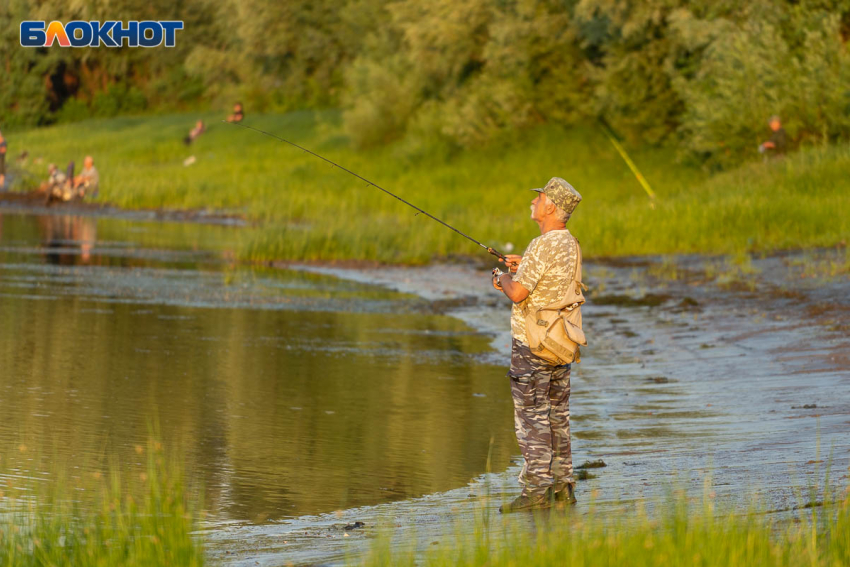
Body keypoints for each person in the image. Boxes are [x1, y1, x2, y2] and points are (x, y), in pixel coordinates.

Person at [492, 177, 583, 513]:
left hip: (532, 343)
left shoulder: (541, 244)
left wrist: (499, 277)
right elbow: (545, 278)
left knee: (532, 419)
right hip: (561, 342)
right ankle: (564, 488)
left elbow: (517, 293)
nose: (533, 202)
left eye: (539, 197)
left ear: (550, 207)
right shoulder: (570, 243)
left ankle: (536, 494)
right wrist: (522, 265)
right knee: (558, 416)